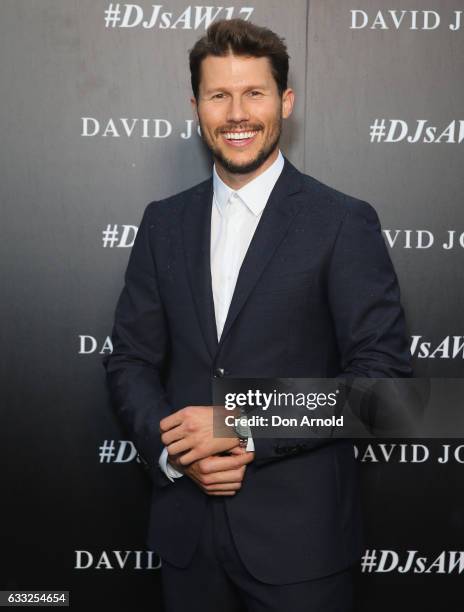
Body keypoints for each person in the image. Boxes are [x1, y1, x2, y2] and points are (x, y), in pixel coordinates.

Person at [103, 18, 412, 612]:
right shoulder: (163, 223)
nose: (237, 112)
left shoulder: (342, 223)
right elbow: (131, 361)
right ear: (197, 107)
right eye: (219, 95)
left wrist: (236, 423)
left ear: (285, 101)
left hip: (302, 550)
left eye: (254, 93)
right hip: (186, 542)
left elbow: (385, 390)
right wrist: (176, 452)